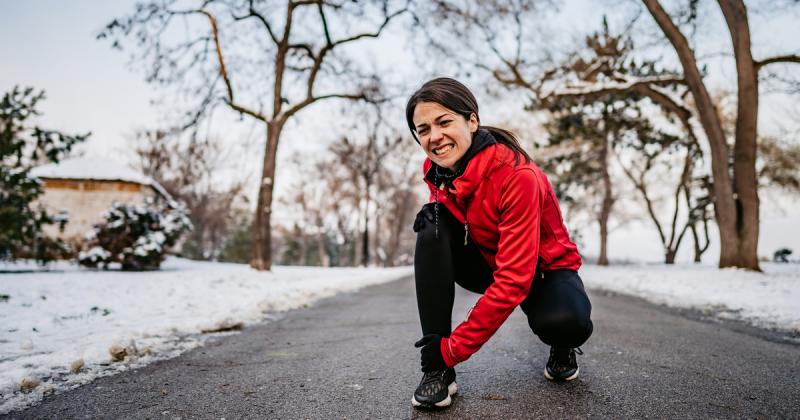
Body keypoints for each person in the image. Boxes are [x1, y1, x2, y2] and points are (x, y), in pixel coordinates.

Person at [406, 78, 593, 409]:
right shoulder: (437, 169)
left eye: (444, 122)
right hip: (488, 258)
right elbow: (459, 215)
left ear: (472, 121)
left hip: (541, 270)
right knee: (431, 226)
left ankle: (562, 346)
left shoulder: (518, 176)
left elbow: (514, 280)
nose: (434, 136)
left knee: (565, 322)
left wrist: (455, 347)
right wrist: (436, 212)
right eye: (423, 129)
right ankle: (437, 370)